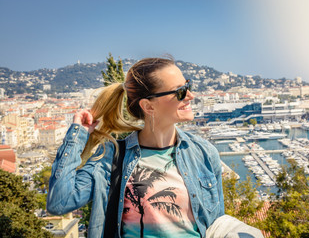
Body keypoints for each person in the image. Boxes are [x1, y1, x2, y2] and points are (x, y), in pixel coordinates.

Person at [46, 57, 225, 238]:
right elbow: (59, 203)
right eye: (180, 91)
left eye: (188, 85)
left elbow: (218, 224)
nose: (190, 96)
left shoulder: (204, 153)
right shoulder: (112, 157)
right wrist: (78, 135)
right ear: (148, 106)